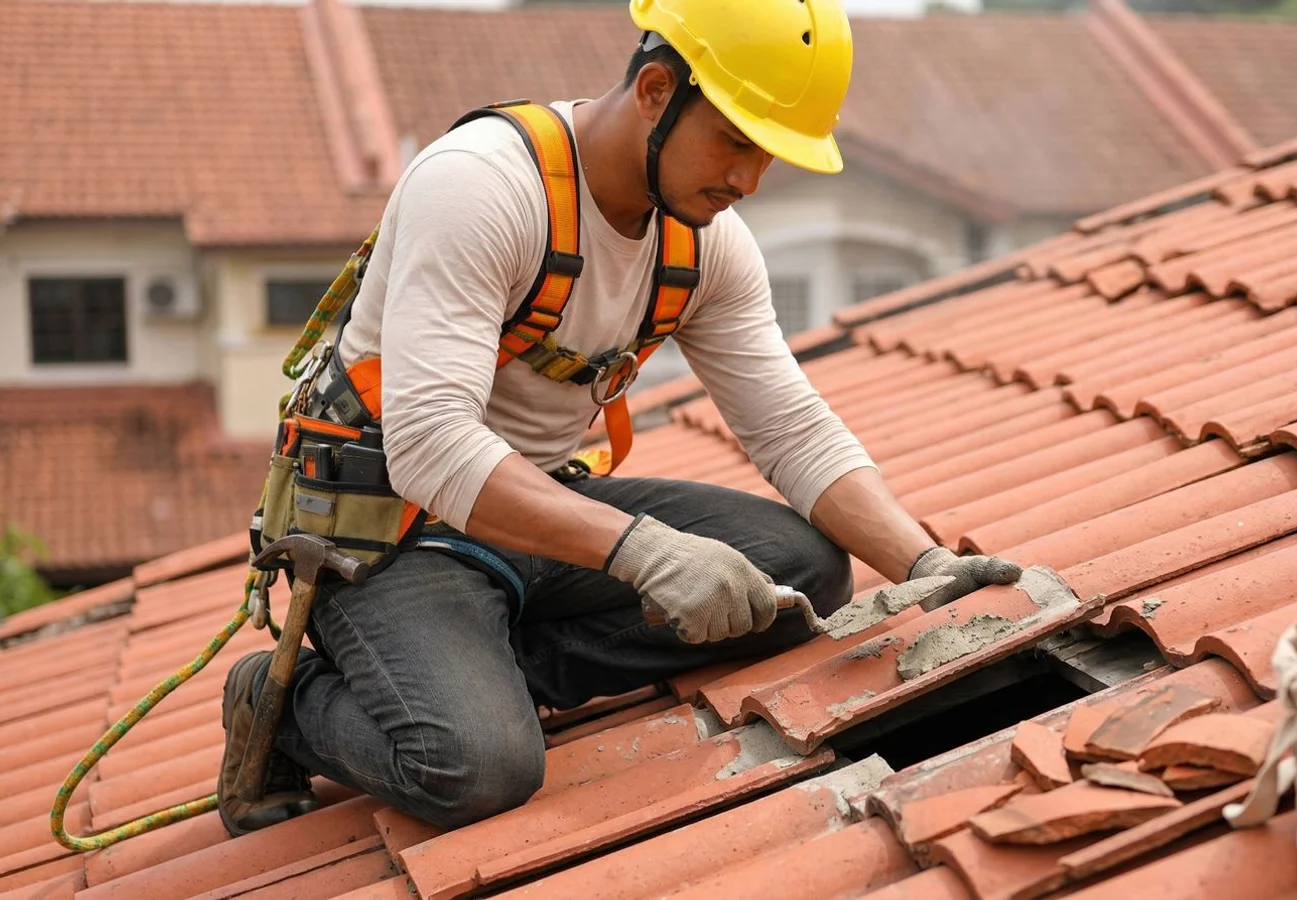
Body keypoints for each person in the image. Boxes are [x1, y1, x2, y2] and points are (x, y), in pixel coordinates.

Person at [217, 0, 1023, 835]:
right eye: (736, 141)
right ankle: (283, 700)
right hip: (387, 525)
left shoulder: (704, 242)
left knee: (801, 573)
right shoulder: (481, 187)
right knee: (475, 768)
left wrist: (921, 562)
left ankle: (484, 665)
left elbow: (790, 427)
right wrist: (642, 553)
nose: (747, 181)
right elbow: (429, 447)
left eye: (769, 156)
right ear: (653, 89)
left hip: (531, 516)